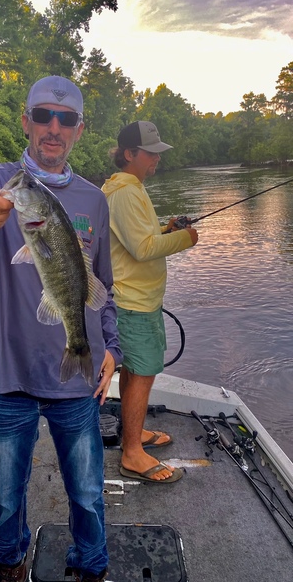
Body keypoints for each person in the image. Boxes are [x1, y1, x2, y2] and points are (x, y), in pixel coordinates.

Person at [0, 75, 122, 582]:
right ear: (26, 121)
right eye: (42, 116)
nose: (53, 128)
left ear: (79, 129)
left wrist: (112, 349)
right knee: (6, 494)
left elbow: (103, 286)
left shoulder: (94, 200)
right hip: (7, 377)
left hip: (77, 380)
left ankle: (91, 567)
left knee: (87, 492)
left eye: (65, 120)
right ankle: (9, 566)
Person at [102, 121, 198, 483]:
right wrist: (185, 238)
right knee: (142, 373)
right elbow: (143, 249)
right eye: (150, 152)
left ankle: (133, 433)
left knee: (134, 371)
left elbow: (139, 236)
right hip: (134, 302)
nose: (156, 158)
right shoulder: (126, 192)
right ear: (130, 154)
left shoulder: (126, 187)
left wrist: (165, 229)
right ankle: (132, 454)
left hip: (136, 299)